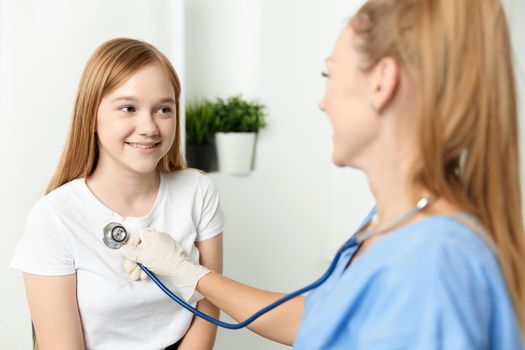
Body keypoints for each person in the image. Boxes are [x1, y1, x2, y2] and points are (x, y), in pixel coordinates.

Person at [119, 0, 525, 349]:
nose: (322, 102)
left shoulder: (433, 263)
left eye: (329, 75)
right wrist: (190, 273)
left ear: (381, 83)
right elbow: (320, 321)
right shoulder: (391, 226)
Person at [10, 38, 224, 350]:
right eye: (128, 108)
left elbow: (211, 303)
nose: (149, 126)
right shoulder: (54, 216)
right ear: (91, 116)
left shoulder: (198, 191)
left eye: (164, 109)